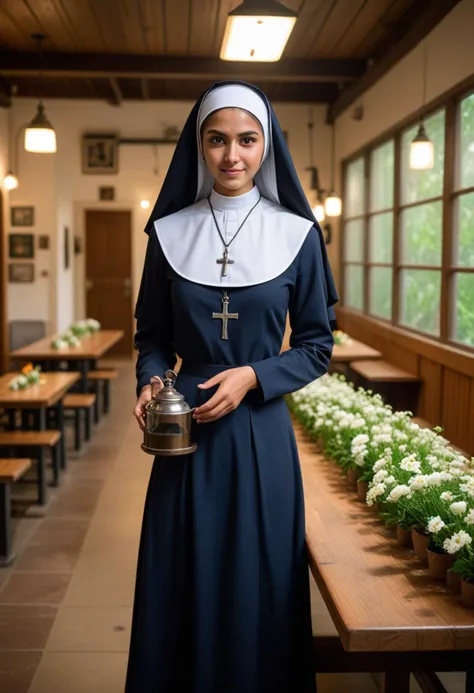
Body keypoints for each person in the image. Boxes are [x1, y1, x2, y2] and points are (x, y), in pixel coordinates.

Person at [126, 81, 338, 693]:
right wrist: (150, 380)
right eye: (217, 140)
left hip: (260, 429)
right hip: (183, 429)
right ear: (199, 145)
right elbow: (154, 334)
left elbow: (318, 346)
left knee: (257, 575)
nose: (231, 156)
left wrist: (254, 375)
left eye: (247, 140)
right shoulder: (169, 233)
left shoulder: (298, 234)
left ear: (266, 147)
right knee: (181, 572)